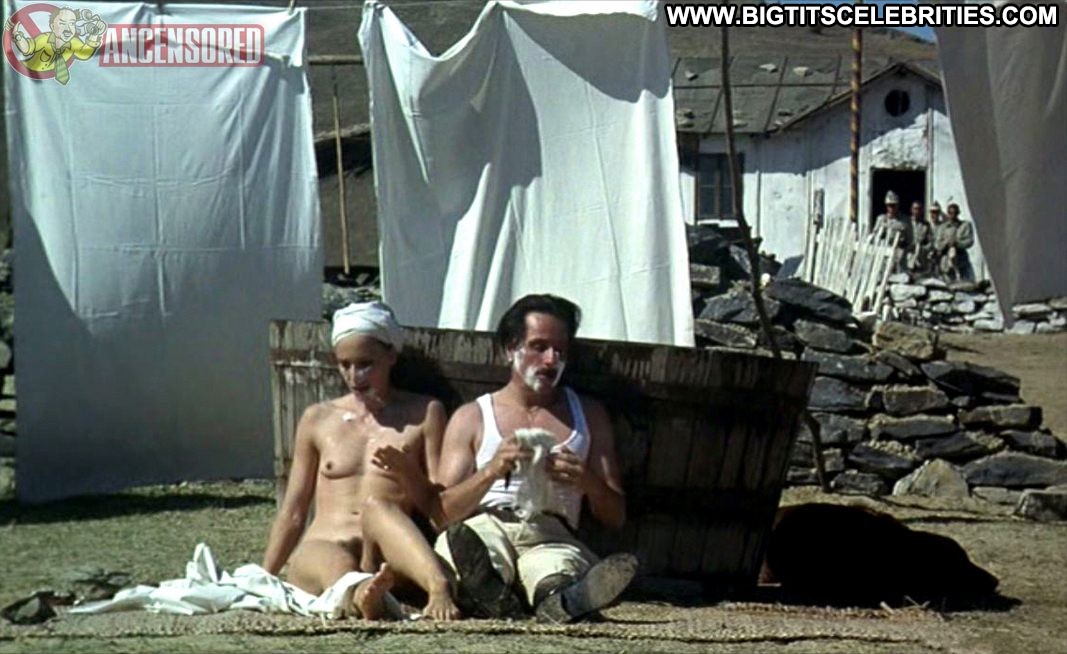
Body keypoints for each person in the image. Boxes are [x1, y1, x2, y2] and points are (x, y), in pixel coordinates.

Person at [432, 294, 637, 623]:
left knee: (555, 567)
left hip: (551, 531)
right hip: (488, 523)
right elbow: (440, 515)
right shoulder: (472, 416)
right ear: (510, 349)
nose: (551, 360)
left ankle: (557, 598)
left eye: (560, 351)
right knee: (469, 549)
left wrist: (587, 482)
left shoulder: (588, 415)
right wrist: (491, 472)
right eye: (539, 347)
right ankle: (489, 590)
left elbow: (616, 517)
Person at [261, 301, 460, 620]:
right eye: (345, 365)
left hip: (382, 549)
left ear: (391, 356)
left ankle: (437, 585)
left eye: (365, 364)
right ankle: (360, 594)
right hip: (325, 542)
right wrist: (265, 577)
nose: (354, 376)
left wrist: (408, 472)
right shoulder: (318, 419)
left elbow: (439, 507)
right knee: (336, 560)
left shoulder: (424, 413)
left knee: (378, 506)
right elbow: (294, 511)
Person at [934, 203, 976, 281]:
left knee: (962, 283)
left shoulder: (965, 225)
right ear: (948, 213)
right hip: (946, 261)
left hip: (961, 261)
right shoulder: (942, 227)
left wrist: (957, 244)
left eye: (955, 213)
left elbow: (970, 241)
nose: (952, 215)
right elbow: (937, 244)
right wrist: (946, 243)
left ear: (958, 213)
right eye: (950, 213)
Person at [874, 190, 911, 274]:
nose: (891, 208)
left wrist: (904, 249)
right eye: (889, 205)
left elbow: (910, 239)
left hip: (900, 255)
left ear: (897, 205)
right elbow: (875, 237)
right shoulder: (881, 219)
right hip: (884, 254)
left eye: (893, 205)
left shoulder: (905, 220)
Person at [905, 201, 934, 276]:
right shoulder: (906, 222)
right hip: (907, 253)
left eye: (919, 209)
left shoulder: (926, 225)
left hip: (920, 255)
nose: (917, 211)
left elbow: (930, 242)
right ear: (911, 210)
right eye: (915, 209)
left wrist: (923, 249)